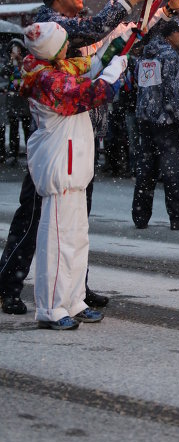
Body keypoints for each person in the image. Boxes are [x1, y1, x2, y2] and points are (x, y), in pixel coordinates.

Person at [0, 0, 179, 315]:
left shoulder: (80, 28)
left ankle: (76, 289)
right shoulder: (53, 26)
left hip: (84, 136)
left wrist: (167, 9)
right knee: (35, 218)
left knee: (76, 221)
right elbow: (94, 32)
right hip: (57, 140)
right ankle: (8, 284)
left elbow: (126, 37)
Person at [20, 22, 127, 330]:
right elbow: (86, 93)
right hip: (59, 172)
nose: (69, 47)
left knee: (77, 241)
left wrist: (123, 41)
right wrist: (112, 73)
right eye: (63, 43)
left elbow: (91, 63)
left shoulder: (58, 68)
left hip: (75, 170)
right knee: (57, 244)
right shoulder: (45, 80)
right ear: (51, 48)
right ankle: (51, 308)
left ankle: (74, 299)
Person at [132, 19, 179, 230]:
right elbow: (174, 91)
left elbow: (138, 83)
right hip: (166, 122)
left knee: (146, 169)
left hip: (145, 120)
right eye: (178, 31)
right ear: (167, 35)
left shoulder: (145, 55)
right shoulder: (170, 57)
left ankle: (140, 216)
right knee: (172, 172)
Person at [2, 38, 32, 165]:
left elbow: (29, 75)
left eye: (18, 49)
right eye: (13, 49)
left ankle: (29, 153)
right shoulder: (8, 64)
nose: (16, 51)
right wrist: (11, 61)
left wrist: (20, 62)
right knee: (13, 127)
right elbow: (4, 74)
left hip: (24, 98)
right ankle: (13, 153)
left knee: (27, 127)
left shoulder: (27, 62)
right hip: (13, 98)